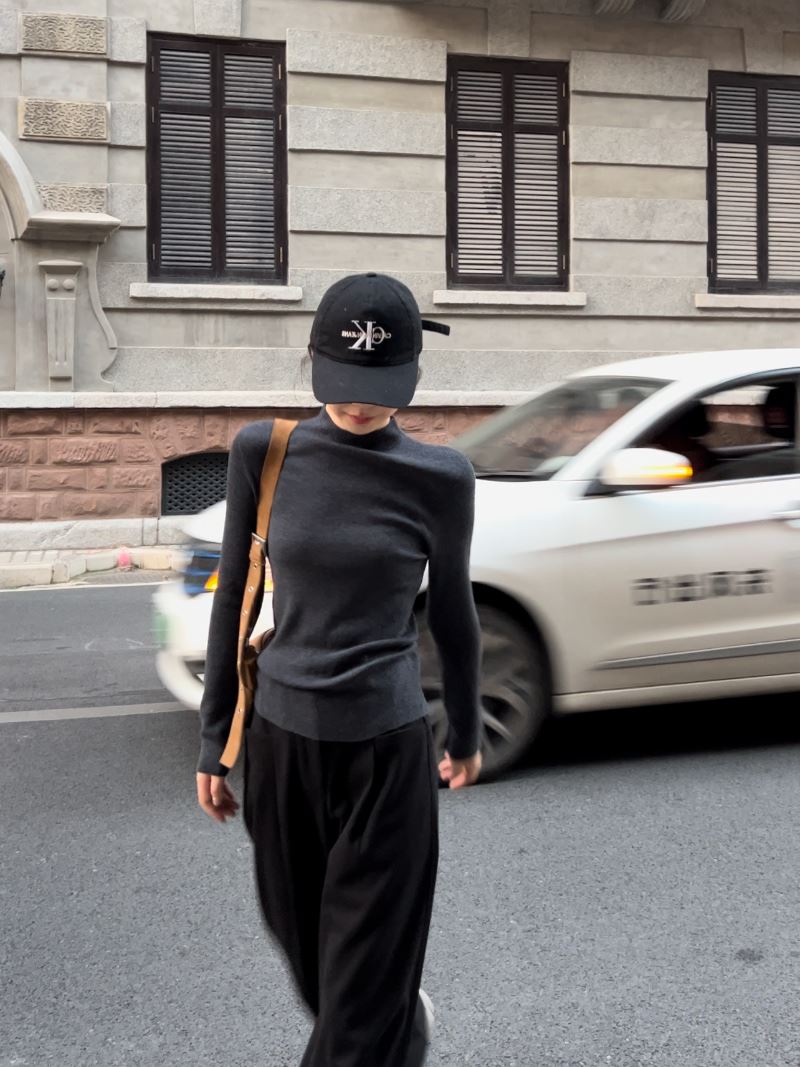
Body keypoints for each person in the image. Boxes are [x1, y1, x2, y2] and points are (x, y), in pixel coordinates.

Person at [195, 272, 483, 1067]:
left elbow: (453, 614)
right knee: (317, 967)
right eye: (344, 381)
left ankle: (385, 1020)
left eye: (379, 386)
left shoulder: (442, 476)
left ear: (412, 375)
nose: (358, 403)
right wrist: (216, 740)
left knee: (354, 1022)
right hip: (281, 745)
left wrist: (464, 731)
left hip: (387, 754)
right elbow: (235, 598)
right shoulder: (265, 452)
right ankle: (398, 1021)